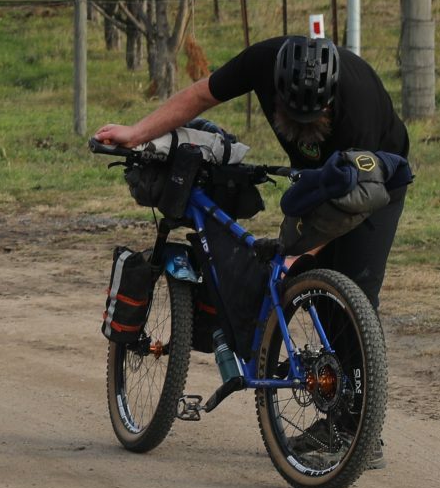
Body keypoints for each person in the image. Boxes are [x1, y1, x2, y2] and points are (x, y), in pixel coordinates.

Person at [94, 31, 411, 307]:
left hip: (375, 182)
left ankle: (360, 373)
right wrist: (136, 133)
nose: (303, 125)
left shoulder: (358, 104)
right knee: (303, 283)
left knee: (353, 288)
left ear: (328, 102)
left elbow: (353, 202)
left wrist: (301, 255)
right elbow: (201, 95)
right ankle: (313, 367)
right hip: (315, 173)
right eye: (293, 115)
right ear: (278, 91)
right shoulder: (262, 61)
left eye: (313, 117)